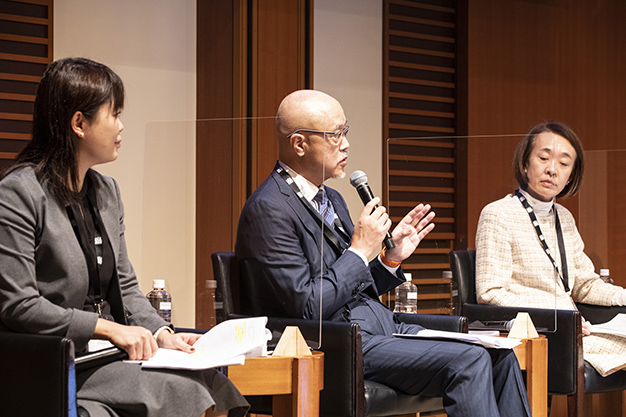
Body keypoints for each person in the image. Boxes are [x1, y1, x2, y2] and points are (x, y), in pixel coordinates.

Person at [235, 89, 532, 417]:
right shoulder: (268, 209)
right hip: (337, 343)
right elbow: (304, 308)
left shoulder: (332, 198)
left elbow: (352, 288)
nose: (346, 144)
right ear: (299, 144)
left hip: (382, 327)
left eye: (345, 132)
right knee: (470, 359)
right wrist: (359, 251)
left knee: (501, 355)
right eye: (335, 135)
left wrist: (389, 259)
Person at [0, 57, 248, 417]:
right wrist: (108, 329)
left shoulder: (106, 191)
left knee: (214, 382)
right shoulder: (19, 193)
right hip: (55, 360)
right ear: (79, 123)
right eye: (114, 114)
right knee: (186, 391)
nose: (121, 125)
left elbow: (126, 287)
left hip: (107, 354)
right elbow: (19, 305)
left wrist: (162, 334)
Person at [476, 121, 626, 378]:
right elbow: (490, 293)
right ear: (525, 163)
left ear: (571, 176)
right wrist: (558, 317)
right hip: (535, 334)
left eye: (564, 164)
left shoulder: (564, 217)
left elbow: (585, 284)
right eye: (543, 158)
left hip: (573, 331)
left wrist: (623, 296)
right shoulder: (498, 214)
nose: (552, 170)